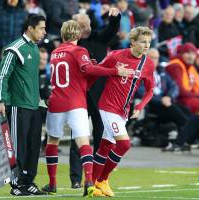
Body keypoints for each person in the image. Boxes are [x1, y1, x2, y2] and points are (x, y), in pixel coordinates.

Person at [41, 20, 133, 197]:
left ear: (62, 34)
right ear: (77, 35)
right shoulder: (79, 50)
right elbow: (88, 69)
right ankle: (89, 181)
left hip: (56, 102)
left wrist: (91, 72)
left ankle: (52, 183)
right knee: (83, 143)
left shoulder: (54, 53)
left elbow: (82, 79)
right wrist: (114, 71)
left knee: (52, 141)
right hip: (76, 103)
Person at [92, 26, 155, 197]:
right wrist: (113, 71)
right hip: (108, 106)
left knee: (106, 146)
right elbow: (97, 70)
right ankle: (102, 180)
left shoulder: (148, 64)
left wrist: (140, 106)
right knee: (124, 144)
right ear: (133, 42)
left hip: (123, 111)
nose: (146, 45)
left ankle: (92, 184)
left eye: (149, 42)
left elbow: (150, 90)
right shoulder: (116, 56)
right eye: (143, 41)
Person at [0, 14, 46, 196]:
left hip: (34, 106)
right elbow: (3, 76)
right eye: (41, 28)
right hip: (18, 106)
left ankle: (28, 181)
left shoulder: (34, 48)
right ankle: (16, 184)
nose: (44, 32)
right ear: (30, 28)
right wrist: (2, 101)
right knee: (18, 146)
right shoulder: (15, 48)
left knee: (34, 146)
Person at [70, 8, 121, 189]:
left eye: (88, 24)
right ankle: (75, 179)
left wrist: (115, 18)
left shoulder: (99, 38)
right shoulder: (73, 45)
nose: (86, 27)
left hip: (100, 97)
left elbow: (112, 30)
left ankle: (98, 177)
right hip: (80, 97)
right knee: (78, 139)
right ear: (75, 27)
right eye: (82, 25)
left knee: (100, 137)